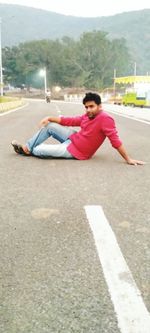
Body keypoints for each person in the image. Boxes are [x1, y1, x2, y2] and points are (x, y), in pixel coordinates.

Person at [11, 92, 145, 165]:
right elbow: (71, 120)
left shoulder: (105, 119)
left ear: (99, 106)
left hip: (77, 151)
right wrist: (50, 118)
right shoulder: (87, 116)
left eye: (91, 106)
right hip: (73, 139)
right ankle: (27, 148)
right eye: (86, 107)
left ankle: (31, 149)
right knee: (50, 126)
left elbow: (115, 141)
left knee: (39, 150)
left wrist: (128, 159)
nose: (88, 110)